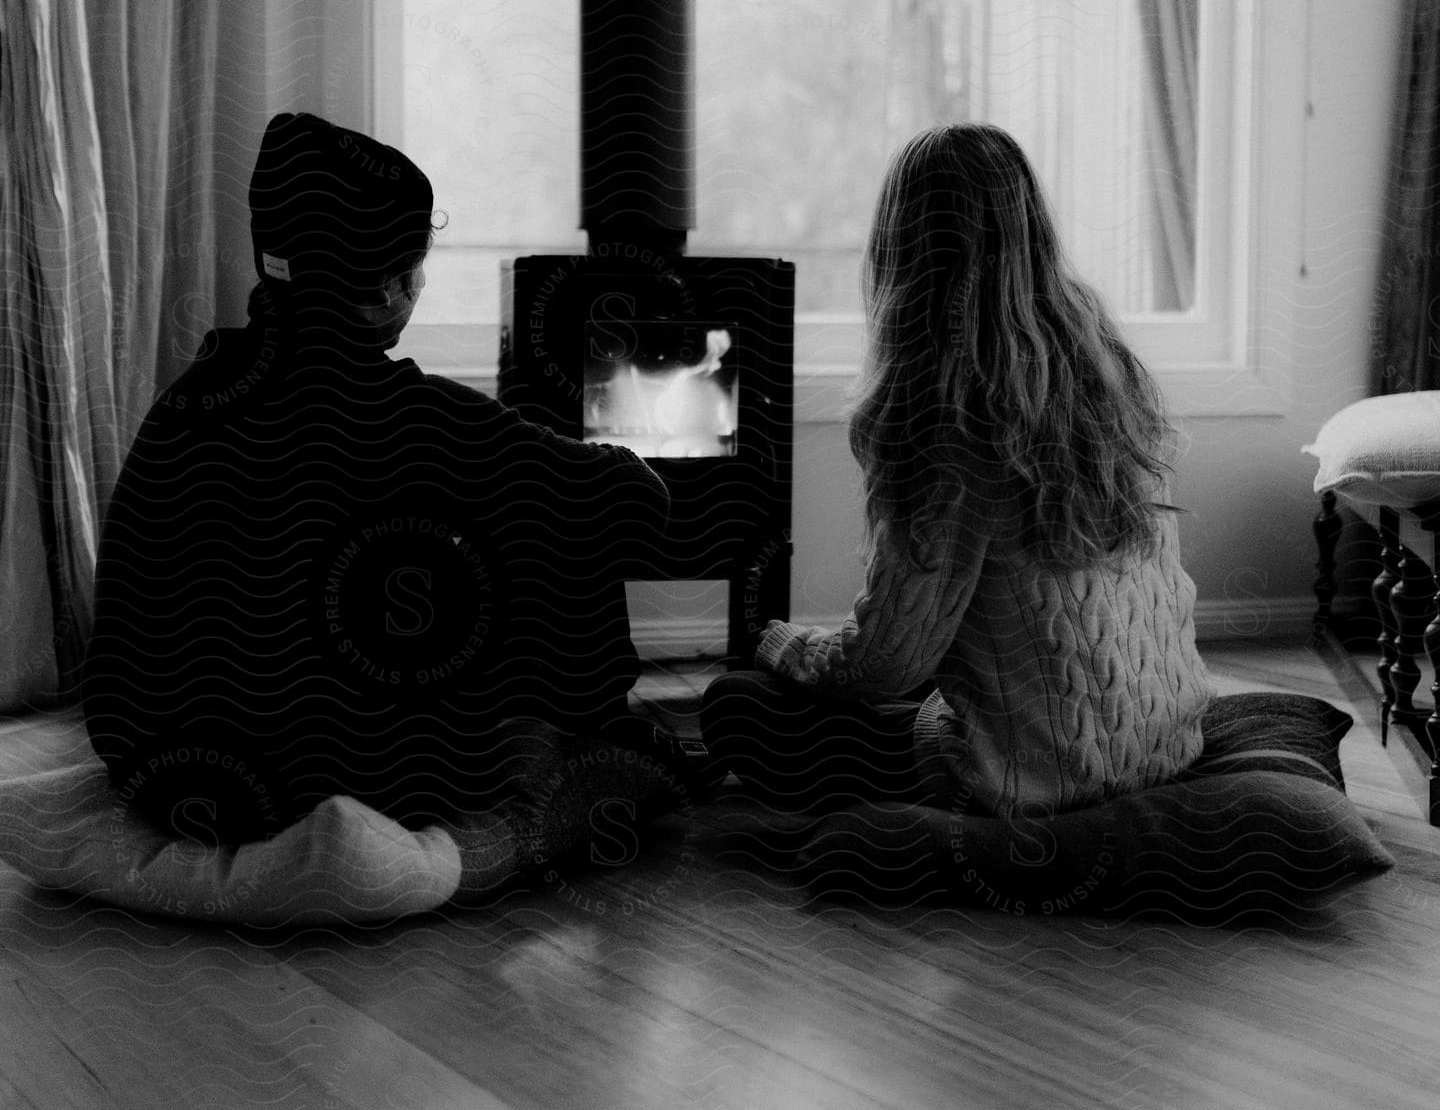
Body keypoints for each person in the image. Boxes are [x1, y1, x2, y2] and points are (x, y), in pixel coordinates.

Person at [83, 112, 680, 845]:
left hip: (157, 769)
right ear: (390, 286)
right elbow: (637, 506)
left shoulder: (185, 402)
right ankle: (590, 747)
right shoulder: (419, 416)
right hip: (343, 775)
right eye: (415, 266)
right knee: (552, 515)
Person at [701, 124, 1213, 818]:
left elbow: (887, 667)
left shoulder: (944, 407)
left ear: (901, 247)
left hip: (1028, 776)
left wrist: (785, 645)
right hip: (1166, 738)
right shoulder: (1101, 357)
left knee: (737, 703)